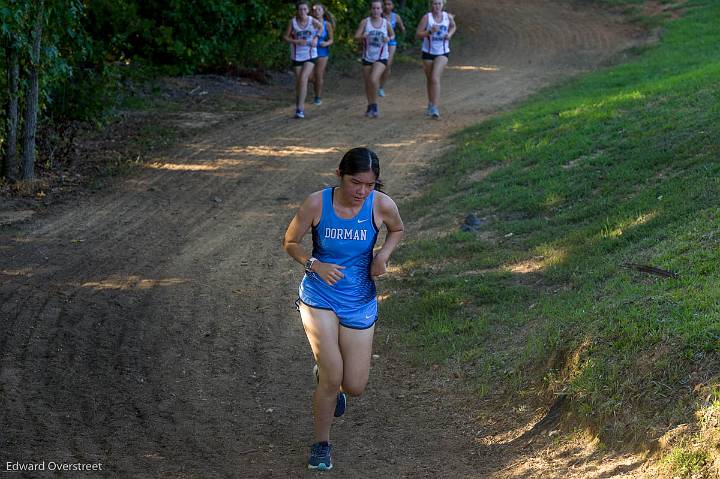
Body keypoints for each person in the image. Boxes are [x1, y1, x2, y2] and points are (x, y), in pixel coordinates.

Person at [283, 147, 404, 470]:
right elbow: (290, 241)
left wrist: (382, 256)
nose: (361, 191)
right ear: (340, 174)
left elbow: (398, 229)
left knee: (354, 385)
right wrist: (314, 264)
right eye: (355, 183)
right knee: (333, 377)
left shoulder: (380, 205)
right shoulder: (317, 203)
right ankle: (321, 444)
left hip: (360, 299)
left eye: (369, 184)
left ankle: (326, 376)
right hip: (319, 296)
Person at [416, 0, 456, 119]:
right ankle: (430, 103)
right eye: (434, 3)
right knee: (430, 79)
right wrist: (429, 32)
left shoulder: (447, 16)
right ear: (431, 5)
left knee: (434, 77)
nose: (437, 6)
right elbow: (418, 34)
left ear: (443, 5)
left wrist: (449, 35)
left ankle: (435, 107)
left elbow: (453, 26)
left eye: (439, 3)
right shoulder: (426, 18)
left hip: (442, 52)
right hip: (428, 52)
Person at [354, 1, 395, 118]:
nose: (376, 11)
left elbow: (393, 35)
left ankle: (375, 105)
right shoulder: (365, 22)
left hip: (381, 56)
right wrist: (362, 37)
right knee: (368, 83)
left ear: (381, 10)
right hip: (367, 56)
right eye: (373, 8)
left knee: (373, 79)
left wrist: (389, 38)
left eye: (378, 8)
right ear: (370, 10)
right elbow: (356, 36)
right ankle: (370, 105)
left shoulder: (385, 23)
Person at [284, 1, 323, 119]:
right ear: (297, 10)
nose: (302, 12)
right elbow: (285, 37)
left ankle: (300, 109)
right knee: (300, 82)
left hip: (311, 54)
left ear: (308, 10)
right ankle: (299, 105)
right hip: (296, 55)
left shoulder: (312, 20)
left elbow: (321, 27)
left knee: (303, 78)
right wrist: (295, 41)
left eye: (304, 9)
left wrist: (316, 37)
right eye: (300, 9)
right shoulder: (293, 22)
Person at [378, 0, 406, 98]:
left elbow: (402, 27)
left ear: (393, 6)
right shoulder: (378, 14)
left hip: (391, 42)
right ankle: (375, 81)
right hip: (378, 42)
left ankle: (381, 87)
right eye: (385, 4)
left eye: (389, 4)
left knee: (387, 65)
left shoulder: (396, 17)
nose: (387, 6)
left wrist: (402, 30)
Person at [311, 3, 335, 106]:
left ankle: (317, 97)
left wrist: (326, 43)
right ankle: (315, 84)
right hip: (309, 51)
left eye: (319, 10)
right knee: (309, 77)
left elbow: (331, 39)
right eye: (315, 10)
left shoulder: (327, 24)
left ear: (323, 12)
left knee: (319, 74)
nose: (317, 12)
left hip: (322, 52)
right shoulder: (309, 22)